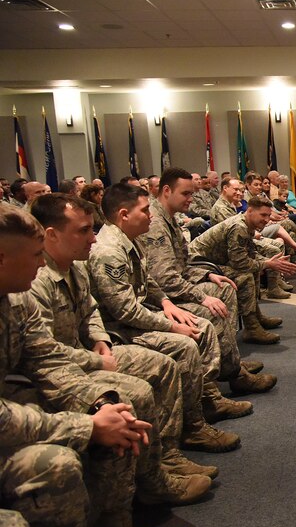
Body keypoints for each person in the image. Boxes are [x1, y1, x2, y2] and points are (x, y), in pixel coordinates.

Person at [0, 203, 185, 527]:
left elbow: (47, 360)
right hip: (10, 411)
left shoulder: (14, 298)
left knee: (118, 409)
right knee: (56, 464)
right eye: (35, 255)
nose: (40, 264)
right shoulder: (30, 288)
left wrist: (100, 404)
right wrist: (86, 426)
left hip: (17, 402)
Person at [28, 194, 217, 499]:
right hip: (66, 368)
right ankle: (149, 485)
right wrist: (97, 359)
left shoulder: (73, 265)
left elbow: (89, 311)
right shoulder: (35, 280)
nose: (93, 237)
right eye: (84, 230)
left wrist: (99, 340)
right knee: (136, 392)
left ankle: (167, 455)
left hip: (90, 351)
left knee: (164, 366)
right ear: (52, 234)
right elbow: (44, 351)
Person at [87, 183, 243, 451]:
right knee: (184, 342)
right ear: (124, 214)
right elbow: (125, 311)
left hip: (137, 316)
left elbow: (147, 279)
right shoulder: (109, 251)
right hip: (120, 330)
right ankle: (189, 430)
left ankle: (206, 401)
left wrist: (166, 302)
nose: (150, 215)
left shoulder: (128, 239)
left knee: (199, 324)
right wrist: (172, 325)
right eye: (145, 210)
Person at [141, 167, 276, 392]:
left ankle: (230, 360)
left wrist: (207, 274)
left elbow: (183, 265)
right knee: (214, 302)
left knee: (224, 287)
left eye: (191, 194)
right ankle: (225, 377)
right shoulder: (156, 223)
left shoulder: (169, 219)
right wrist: (201, 297)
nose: (191, 199)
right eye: (186, 194)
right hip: (160, 297)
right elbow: (165, 278)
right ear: (166, 190)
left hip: (178, 283)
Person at [189, 195, 296, 344]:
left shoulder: (248, 225)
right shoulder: (239, 227)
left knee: (252, 270)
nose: (267, 220)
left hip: (215, 262)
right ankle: (251, 328)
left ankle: (255, 315)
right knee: (244, 276)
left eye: (268, 215)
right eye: (263, 215)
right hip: (200, 264)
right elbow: (240, 263)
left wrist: (270, 262)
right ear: (250, 211)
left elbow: (250, 254)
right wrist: (268, 264)